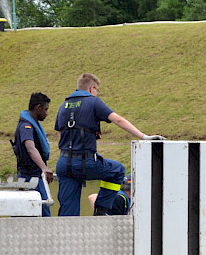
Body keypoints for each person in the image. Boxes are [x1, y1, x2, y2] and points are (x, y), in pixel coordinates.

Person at [54, 73, 163, 216]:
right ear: (92, 88)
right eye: (97, 90)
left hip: (63, 164)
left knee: (68, 211)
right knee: (117, 170)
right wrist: (144, 136)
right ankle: (100, 210)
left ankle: (64, 235)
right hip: (85, 162)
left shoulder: (64, 106)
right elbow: (117, 120)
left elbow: (60, 136)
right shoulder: (93, 102)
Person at [11, 91, 54, 216]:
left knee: (35, 213)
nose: (47, 113)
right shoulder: (26, 126)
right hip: (30, 177)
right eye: (45, 110)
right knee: (43, 214)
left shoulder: (33, 125)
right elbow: (30, 148)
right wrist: (44, 168)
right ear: (38, 108)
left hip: (36, 176)